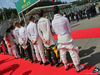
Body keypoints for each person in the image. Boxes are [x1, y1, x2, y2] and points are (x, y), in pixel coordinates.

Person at [52, 6, 84, 72]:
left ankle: (66, 65)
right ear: (59, 11)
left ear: (53, 12)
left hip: (60, 38)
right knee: (72, 52)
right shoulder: (64, 19)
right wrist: (67, 34)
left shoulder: (53, 21)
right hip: (67, 37)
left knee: (62, 52)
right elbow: (70, 30)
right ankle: (77, 67)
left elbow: (55, 31)